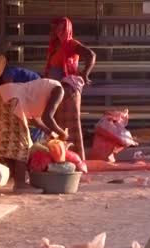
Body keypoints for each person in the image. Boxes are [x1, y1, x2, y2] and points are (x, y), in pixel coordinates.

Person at [0, 56, 72, 193]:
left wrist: (51, 133)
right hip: (12, 100)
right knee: (22, 145)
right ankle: (20, 184)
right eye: (73, 93)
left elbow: (36, 119)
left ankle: (18, 180)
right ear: (70, 89)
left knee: (9, 144)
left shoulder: (43, 90)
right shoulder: (59, 90)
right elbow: (48, 117)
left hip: (1, 97)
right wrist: (62, 133)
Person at [45, 17, 96, 160]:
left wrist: (85, 73)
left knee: (70, 128)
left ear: (67, 29)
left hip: (68, 92)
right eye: (55, 28)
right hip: (55, 90)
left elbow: (91, 55)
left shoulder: (71, 44)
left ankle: (76, 160)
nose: (57, 31)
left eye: (61, 28)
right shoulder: (54, 47)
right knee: (55, 125)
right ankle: (59, 159)